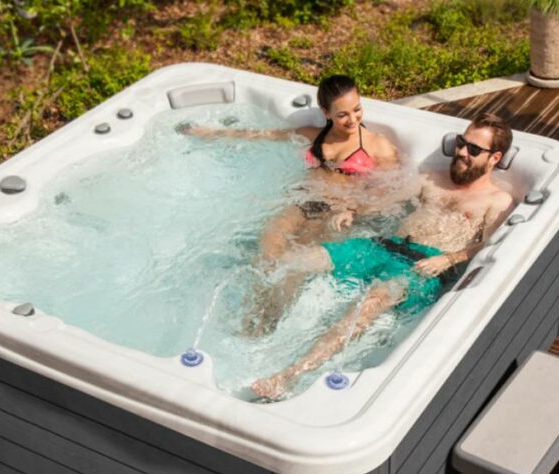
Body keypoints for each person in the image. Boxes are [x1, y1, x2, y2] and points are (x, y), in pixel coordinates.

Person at [251, 113, 516, 400]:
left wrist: (449, 260)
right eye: (462, 143)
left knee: (372, 301)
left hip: (424, 266)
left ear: (494, 158)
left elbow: (489, 246)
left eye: (474, 149)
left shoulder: (496, 200)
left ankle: (289, 376)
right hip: (382, 246)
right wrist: (352, 211)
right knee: (297, 259)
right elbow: (387, 200)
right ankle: (258, 327)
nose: (462, 152)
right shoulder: (431, 179)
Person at [184, 75, 401, 333]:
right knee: (267, 253)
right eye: (342, 114)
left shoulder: (378, 145)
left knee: (293, 266)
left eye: (357, 110)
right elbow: (264, 135)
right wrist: (212, 133)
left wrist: (352, 210)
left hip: (334, 213)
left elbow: (390, 189)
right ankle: (249, 314)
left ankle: (267, 325)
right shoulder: (314, 136)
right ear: (326, 112)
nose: (353, 120)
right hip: (302, 202)